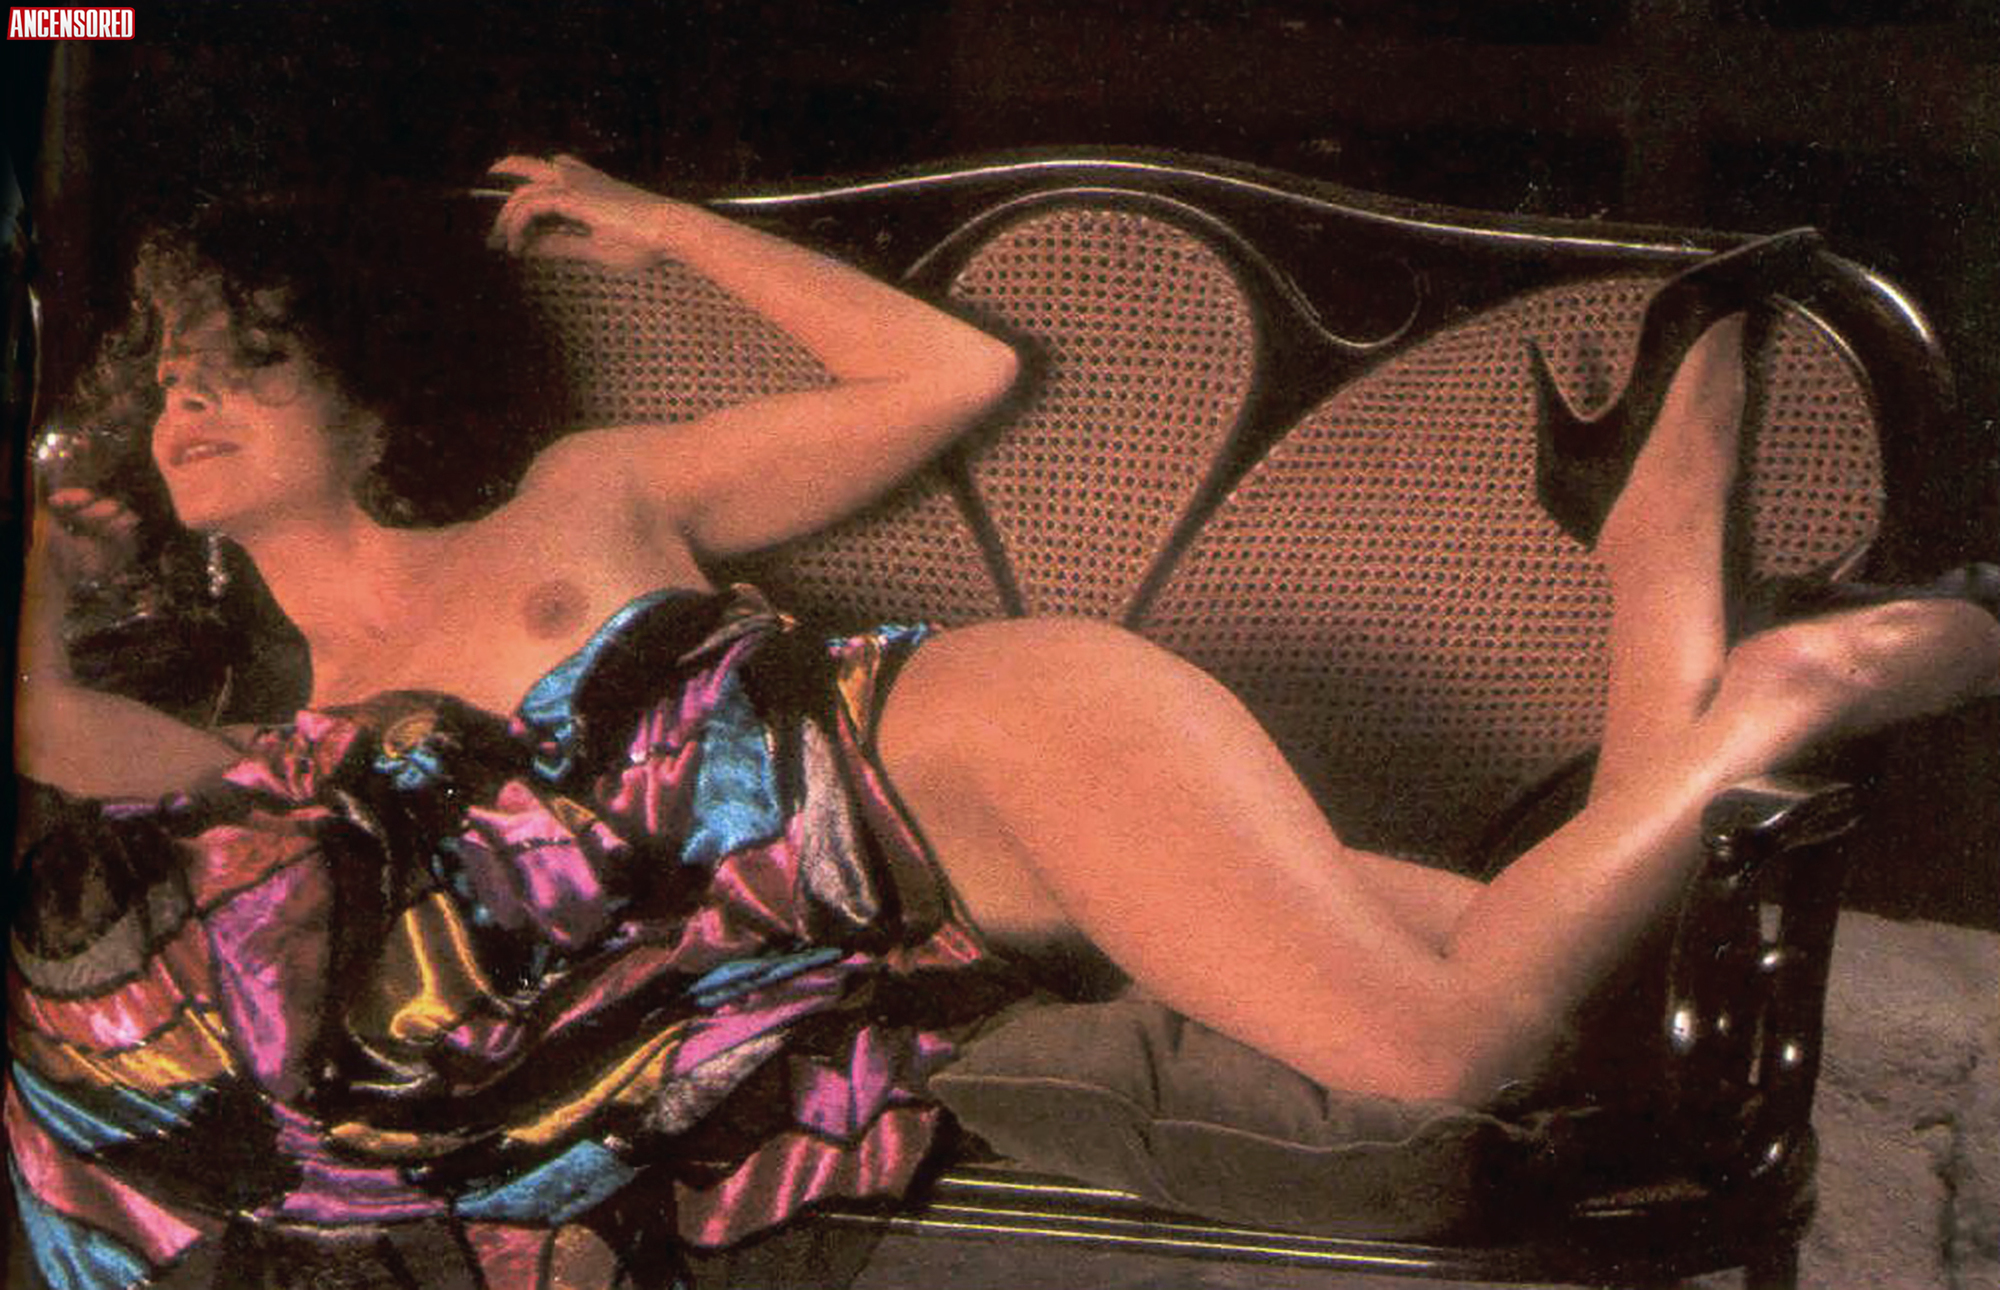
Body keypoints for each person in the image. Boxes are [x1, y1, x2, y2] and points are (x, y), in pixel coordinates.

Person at [11, 154, 2000, 1288]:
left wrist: (664, 227)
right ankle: (1660, 532)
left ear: (368, 395)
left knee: (1444, 1045)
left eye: (241, 365)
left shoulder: (581, 495)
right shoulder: (295, 755)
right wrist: (41, 573)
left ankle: (1771, 688)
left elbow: (945, 375)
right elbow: (63, 751)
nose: (189, 408)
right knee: (1576, 974)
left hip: (977, 737)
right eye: (162, 382)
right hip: (966, 891)